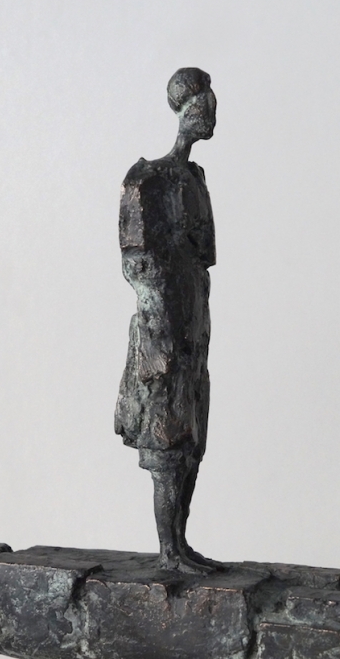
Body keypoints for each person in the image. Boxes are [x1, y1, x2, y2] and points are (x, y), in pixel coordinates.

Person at [114, 68, 220, 574]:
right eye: (202, 107)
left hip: (193, 325)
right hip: (162, 334)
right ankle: (168, 552)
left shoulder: (195, 180)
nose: (210, 116)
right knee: (167, 443)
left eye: (212, 107)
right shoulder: (147, 179)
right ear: (183, 111)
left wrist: (193, 329)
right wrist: (165, 336)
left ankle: (180, 544)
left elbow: (204, 257)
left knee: (192, 441)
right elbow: (136, 264)